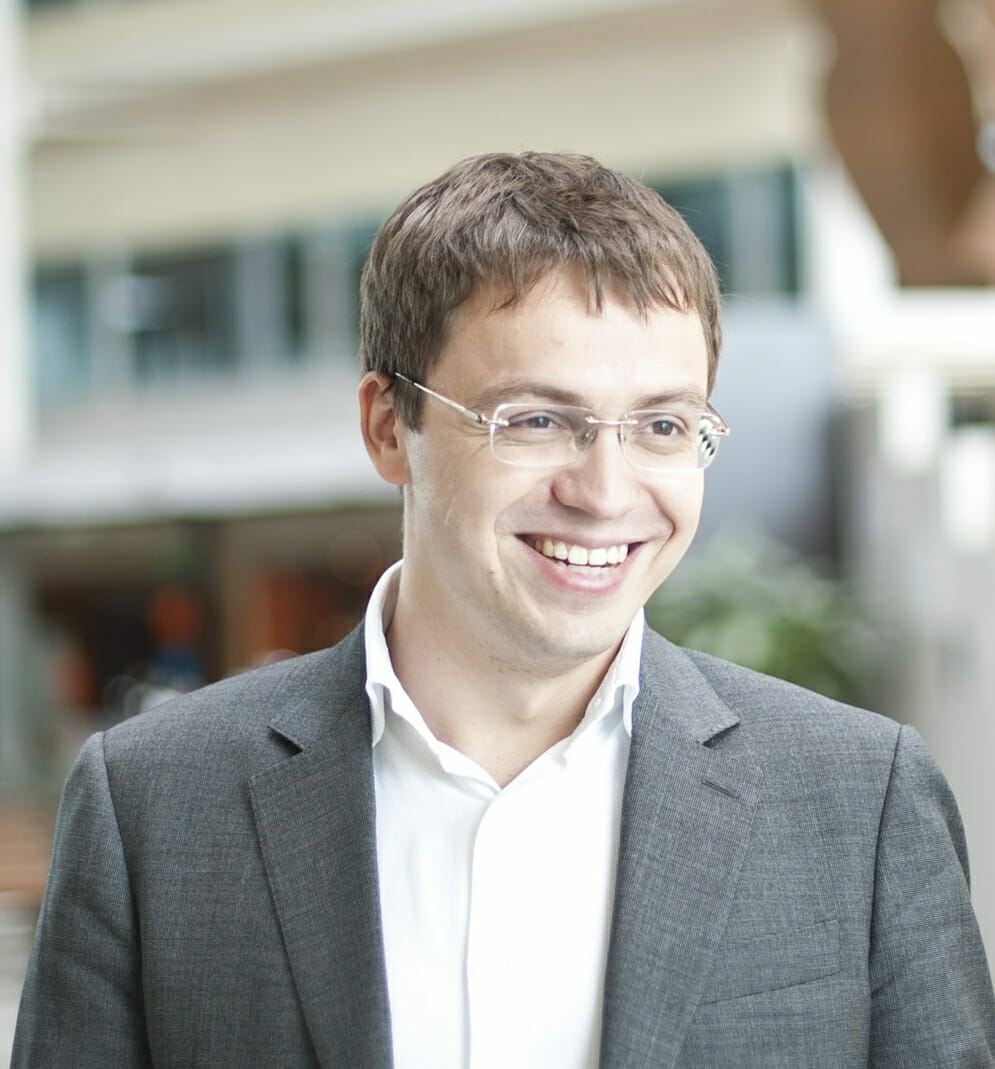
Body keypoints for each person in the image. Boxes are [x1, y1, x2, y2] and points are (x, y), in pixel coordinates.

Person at [13, 152, 995, 1068]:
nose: (606, 490)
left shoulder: (860, 801)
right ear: (386, 428)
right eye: (535, 419)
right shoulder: (153, 806)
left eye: (661, 424)